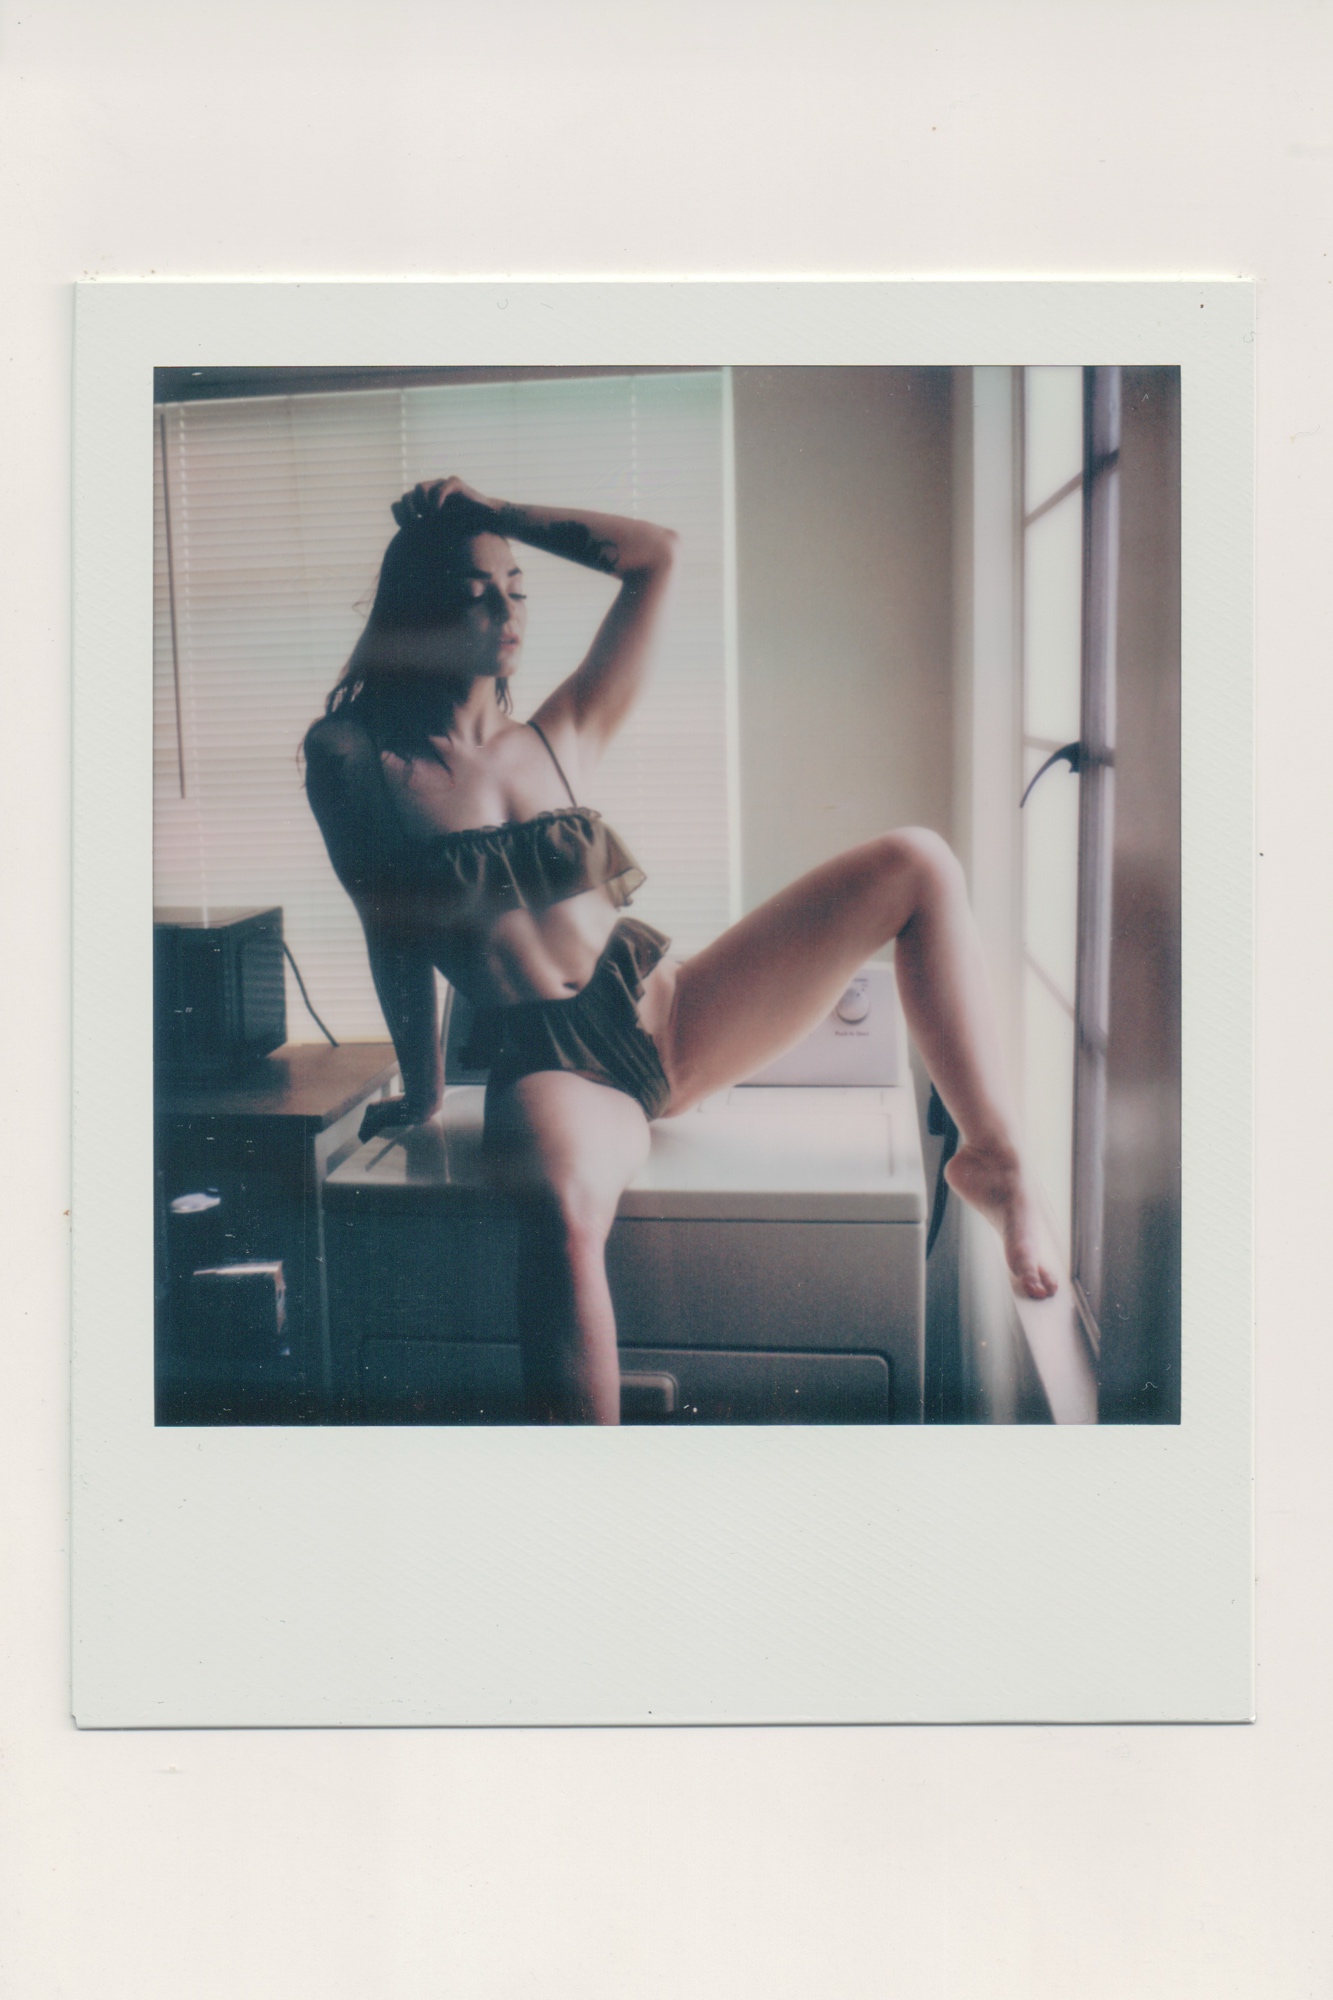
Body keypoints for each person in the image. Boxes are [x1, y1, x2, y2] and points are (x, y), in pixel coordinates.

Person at [305, 477, 1058, 1425]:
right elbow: (388, 929)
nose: (506, 612)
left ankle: (995, 1163)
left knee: (919, 862)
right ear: (417, 609)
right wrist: (421, 1089)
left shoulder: (561, 732)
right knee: (564, 1219)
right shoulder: (355, 759)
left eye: (517, 589)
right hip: (556, 1065)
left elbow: (654, 557)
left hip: (677, 1007)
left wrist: (495, 512)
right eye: (473, 593)